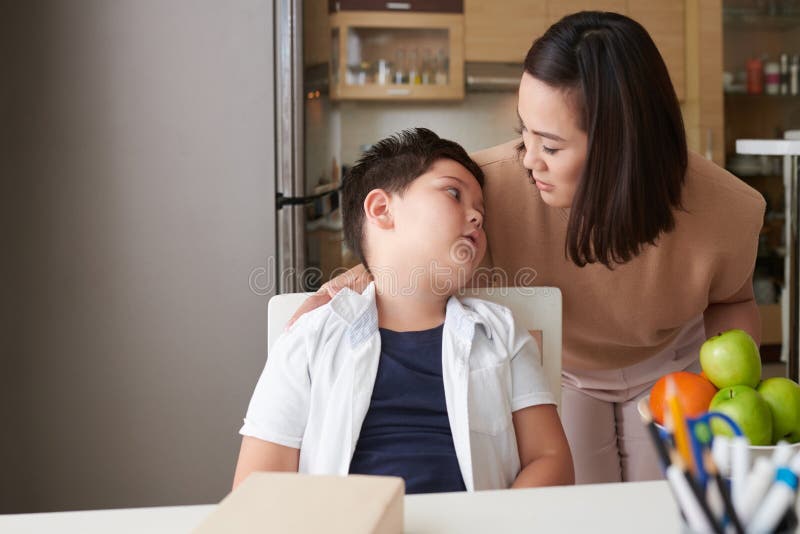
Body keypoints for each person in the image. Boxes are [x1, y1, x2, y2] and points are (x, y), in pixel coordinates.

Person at [289, 12, 765, 485]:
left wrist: (727, 396)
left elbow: (732, 301)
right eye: (524, 131)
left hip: (671, 369)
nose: (529, 158)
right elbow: (413, 245)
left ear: (620, 148)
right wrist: (359, 279)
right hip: (565, 368)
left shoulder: (729, 209)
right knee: (584, 509)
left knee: (667, 508)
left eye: (551, 146)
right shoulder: (487, 186)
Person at [233, 128, 574, 493]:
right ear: (381, 210)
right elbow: (258, 487)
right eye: (453, 193)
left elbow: (550, 459)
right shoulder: (308, 338)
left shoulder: (502, 332)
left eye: (481, 212)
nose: (475, 216)